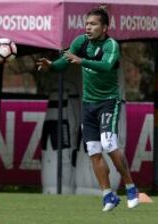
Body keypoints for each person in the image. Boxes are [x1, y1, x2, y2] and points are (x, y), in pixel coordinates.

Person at [37, 7, 139, 212]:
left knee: (109, 144)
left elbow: (106, 66)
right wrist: (51, 65)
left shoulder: (111, 45)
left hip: (109, 101)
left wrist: (81, 61)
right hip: (88, 103)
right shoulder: (80, 42)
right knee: (93, 150)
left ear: (104, 27)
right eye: (87, 24)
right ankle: (108, 195)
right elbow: (63, 63)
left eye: (93, 24)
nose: (88, 28)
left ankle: (130, 187)